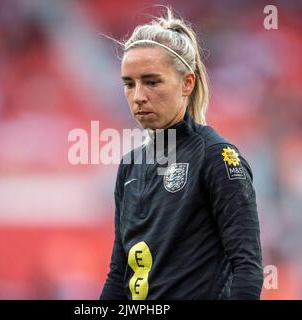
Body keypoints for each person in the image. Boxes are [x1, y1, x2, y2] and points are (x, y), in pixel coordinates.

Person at [100, 7, 263, 300]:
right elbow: (118, 274)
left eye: (151, 81)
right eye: (129, 83)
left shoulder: (217, 157)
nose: (138, 96)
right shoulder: (130, 166)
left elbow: (247, 267)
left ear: (187, 83)